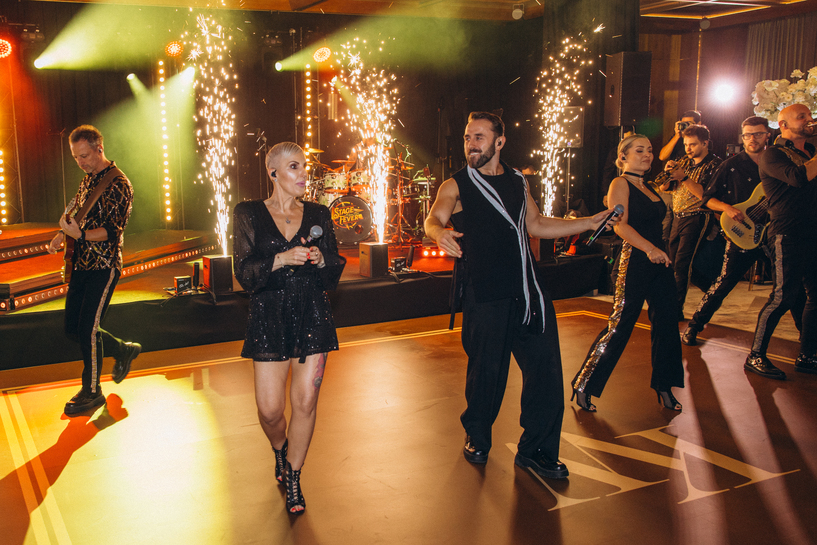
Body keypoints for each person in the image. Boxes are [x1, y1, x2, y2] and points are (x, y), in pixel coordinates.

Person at [424, 111, 619, 480]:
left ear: (499, 142)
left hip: (529, 290)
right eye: (468, 137)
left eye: (479, 137)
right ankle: (477, 436)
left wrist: (589, 222)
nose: (471, 144)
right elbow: (434, 218)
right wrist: (438, 234)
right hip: (486, 292)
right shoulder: (457, 184)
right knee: (487, 373)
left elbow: (537, 224)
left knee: (545, 372)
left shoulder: (517, 180)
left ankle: (538, 450)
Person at [233, 142, 346, 514]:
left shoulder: (318, 213)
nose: (303, 174)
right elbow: (245, 274)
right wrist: (280, 259)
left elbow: (334, 270)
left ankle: (294, 478)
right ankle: (280, 450)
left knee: (306, 401)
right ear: (273, 173)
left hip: (312, 313)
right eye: (294, 167)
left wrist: (319, 257)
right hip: (268, 316)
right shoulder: (248, 213)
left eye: (304, 167)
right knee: (269, 410)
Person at [571, 135, 683, 413]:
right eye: (639, 150)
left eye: (649, 150)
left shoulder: (649, 187)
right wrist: (650, 249)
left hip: (660, 260)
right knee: (621, 324)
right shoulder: (619, 183)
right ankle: (585, 384)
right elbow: (620, 226)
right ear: (622, 157)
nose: (647, 154)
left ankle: (664, 386)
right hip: (636, 258)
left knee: (668, 322)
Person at [46, 125, 141, 416]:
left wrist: (82, 235)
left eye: (84, 155)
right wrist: (63, 234)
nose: (81, 162)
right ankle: (123, 349)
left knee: (87, 329)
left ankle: (92, 390)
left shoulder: (119, 184)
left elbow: (113, 231)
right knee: (73, 328)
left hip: (104, 265)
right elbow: (77, 211)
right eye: (76, 157)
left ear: (99, 149)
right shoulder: (88, 179)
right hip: (81, 265)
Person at [681, 117, 796, 345]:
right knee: (724, 283)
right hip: (742, 234)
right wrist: (727, 208)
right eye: (747, 135)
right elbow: (707, 199)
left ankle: (807, 342)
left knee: (790, 287)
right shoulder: (731, 165)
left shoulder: (779, 161)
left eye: (758, 134)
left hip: (773, 233)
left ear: (768, 135)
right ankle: (694, 326)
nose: (752, 139)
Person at [745, 104, 817, 379]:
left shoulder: (807, 153)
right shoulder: (773, 154)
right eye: (801, 117)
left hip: (812, 232)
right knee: (783, 297)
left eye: (809, 116)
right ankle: (756, 355)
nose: (809, 120)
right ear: (782, 124)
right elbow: (799, 178)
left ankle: (808, 355)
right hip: (787, 234)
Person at [655, 124, 722, 319]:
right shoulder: (683, 161)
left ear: (705, 143)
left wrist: (683, 177)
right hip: (678, 216)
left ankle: (675, 310)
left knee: (682, 264)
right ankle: (714, 291)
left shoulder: (714, 165)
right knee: (676, 263)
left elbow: (705, 196)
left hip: (698, 216)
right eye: (686, 144)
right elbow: (664, 188)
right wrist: (668, 174)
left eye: (692, 144)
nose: (688, 149)